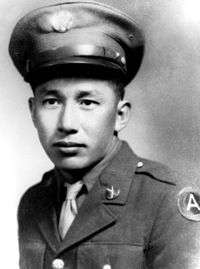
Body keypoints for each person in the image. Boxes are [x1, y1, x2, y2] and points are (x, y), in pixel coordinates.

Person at [9, 1, 200, 268]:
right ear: (32, 111)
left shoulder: (165, 202)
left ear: (120, 116)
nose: (67, 123)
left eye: (87, 102)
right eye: (51, 101)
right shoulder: (33, 203)